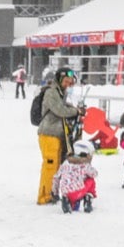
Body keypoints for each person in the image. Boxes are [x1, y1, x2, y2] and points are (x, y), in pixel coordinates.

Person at [36, 68, 85, 205]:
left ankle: (52, 193)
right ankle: (44, 196)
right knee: (50, 166)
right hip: (49, 133)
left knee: (56, 166)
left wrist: (77, 110)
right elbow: (60, 110)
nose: (68, 85)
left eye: (70, 83)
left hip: (57, 135)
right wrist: (76, 111)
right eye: (66, 82)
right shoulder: (51, 92)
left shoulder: (60, 93)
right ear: (59, 79)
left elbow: (65, 107)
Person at [54, 138, 98, 213]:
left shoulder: (65, 163)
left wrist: (55, 192)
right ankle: (88, 198)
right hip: (77, 191)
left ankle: (66, 200)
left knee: (74, 206)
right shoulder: (84, 165)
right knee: (91, 180)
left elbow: (56, 177)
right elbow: (94, 174)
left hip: (66, 192)